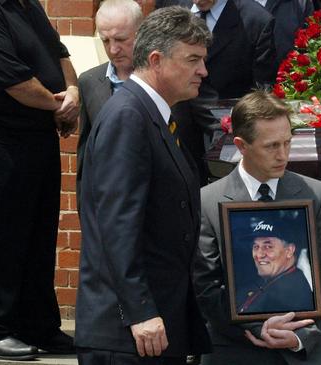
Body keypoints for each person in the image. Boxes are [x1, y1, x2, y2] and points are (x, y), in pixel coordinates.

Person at [75, 7, 212, 364]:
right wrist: (140, 311)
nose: (203, 71)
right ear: (156, 59)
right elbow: (117, 226)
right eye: (193, 59)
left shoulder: (152, 114)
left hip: (154, 324)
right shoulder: (128, 117)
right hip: (128, 333)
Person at [193, 90, 321, 364]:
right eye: (271, 146)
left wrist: (301, 336)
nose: (283, 155)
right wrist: (258, 329)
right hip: (235, 350)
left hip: (301, 350)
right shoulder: (207, 201)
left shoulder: (316, 194)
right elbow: (206, 285)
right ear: (241, 145)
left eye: (287, 143)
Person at [0, 0, 79, 360]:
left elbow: (61, 54)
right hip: (4, 137)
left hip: (40, 136)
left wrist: (74, 93)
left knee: (40, 236)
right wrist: (60, 106)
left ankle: (38, 324)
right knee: (5, 237)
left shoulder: (29, 6)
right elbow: (13, 81)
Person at [76, 0, 142, 198]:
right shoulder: (89, 82)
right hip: (105, 200)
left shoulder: (164, 79)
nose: (113, 49)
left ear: (141, 33)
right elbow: (85, 155)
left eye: (121, 39)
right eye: (105, 41)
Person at [190, 0, 276, 100]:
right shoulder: (173, 5)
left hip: (227, 111)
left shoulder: (256, 20)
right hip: (176, 110)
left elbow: (262, 88)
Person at [236, 220, 313, 315]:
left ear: (289, 250)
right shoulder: (273, 280)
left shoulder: (289, 293)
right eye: (256, 247)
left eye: (268, 247)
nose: (259, 255)